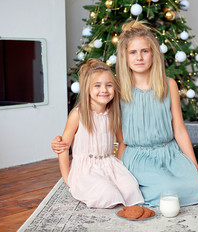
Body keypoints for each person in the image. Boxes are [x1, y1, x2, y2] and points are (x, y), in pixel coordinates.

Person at [114, 20, 198, 207]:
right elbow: (121, 140)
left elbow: (180, 131)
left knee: (194, 188)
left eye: (145, 51)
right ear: (125, 57)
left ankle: (179, 181)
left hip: (170, 153)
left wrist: (197, 173)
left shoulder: (169, 85)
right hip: (138, 157)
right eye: (133, 52)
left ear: (153, 54)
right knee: (165, 190)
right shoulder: (119, 90)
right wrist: (119, 176)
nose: (139, 57)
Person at [54, 58, 143, 208]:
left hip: (109, 163)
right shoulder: (78, 114)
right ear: (87, 89)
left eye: (109, 85)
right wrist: (67, 178)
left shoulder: (113, 114)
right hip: (86, 169)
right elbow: (62, 147)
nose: (104, 90)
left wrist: (118, 163)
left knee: (130, 189)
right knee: (108, 194)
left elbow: (122, 141)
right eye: (97, 86)